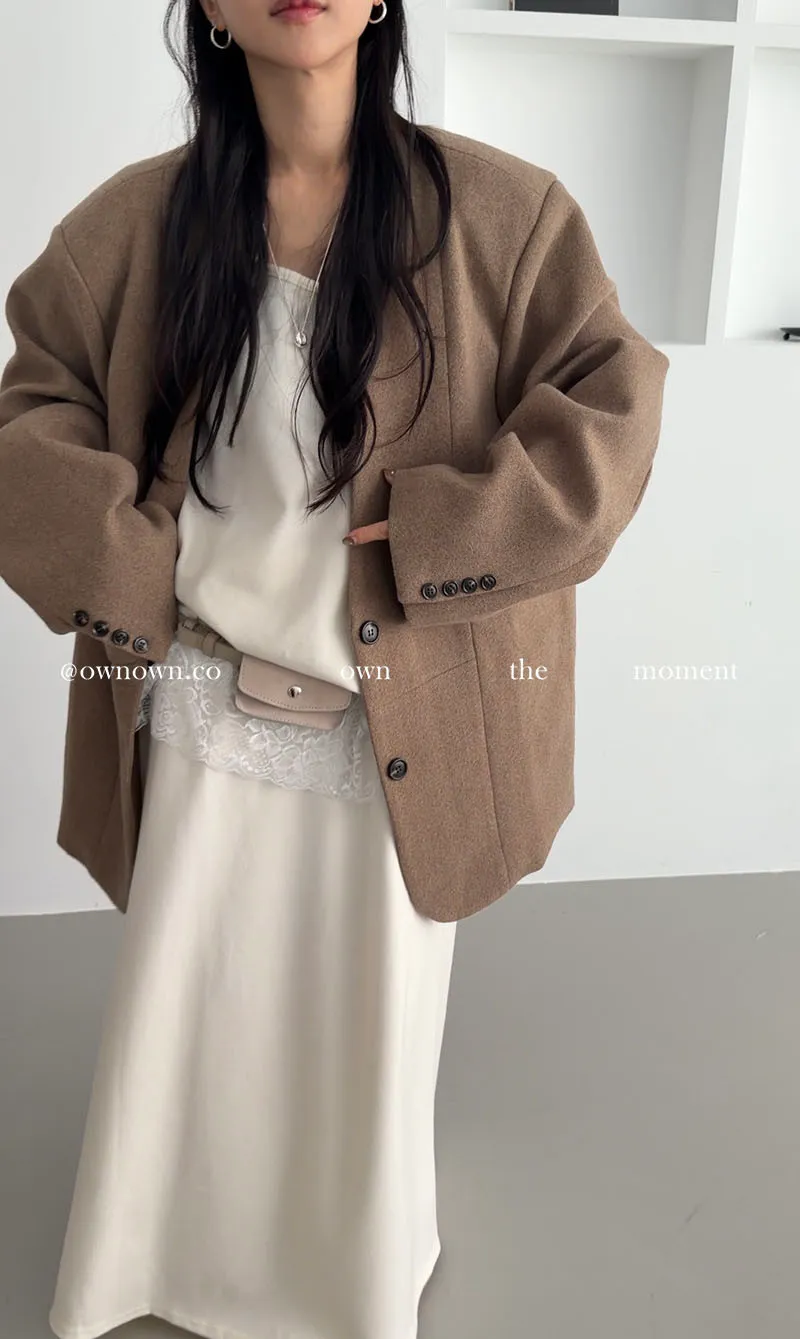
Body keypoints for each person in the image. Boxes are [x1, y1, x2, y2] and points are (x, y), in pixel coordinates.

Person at [0, 1, 670, 1337]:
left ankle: (346, 1283)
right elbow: (31, 415)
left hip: (395, 731)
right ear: (206, 8)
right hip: (199, 716)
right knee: (191, 1030)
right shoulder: (132, 226)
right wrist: (129, 561)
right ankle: (154, 1262)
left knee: (362, 1046)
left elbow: (612, 412)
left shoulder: (505, 217)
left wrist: (438, 532)